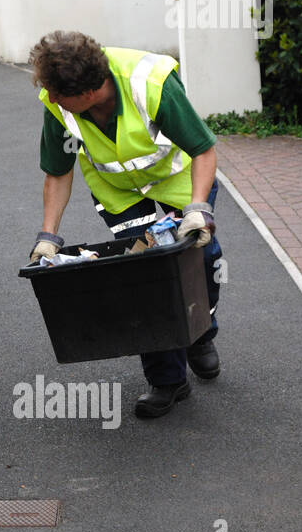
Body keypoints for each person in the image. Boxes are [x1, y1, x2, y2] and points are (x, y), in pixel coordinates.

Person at [27, 31, 223, 419]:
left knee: (200, 257)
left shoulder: (151, 84)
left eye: (55, 93)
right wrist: (48, 236)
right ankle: (168, 380)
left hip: (181, 182)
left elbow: (202, 148)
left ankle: (200, 332)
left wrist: (199, 208)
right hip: (120, 195)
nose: (48, 98)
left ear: (87, 93)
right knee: (146, 275)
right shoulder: (58, 104)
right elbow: (58, 172)